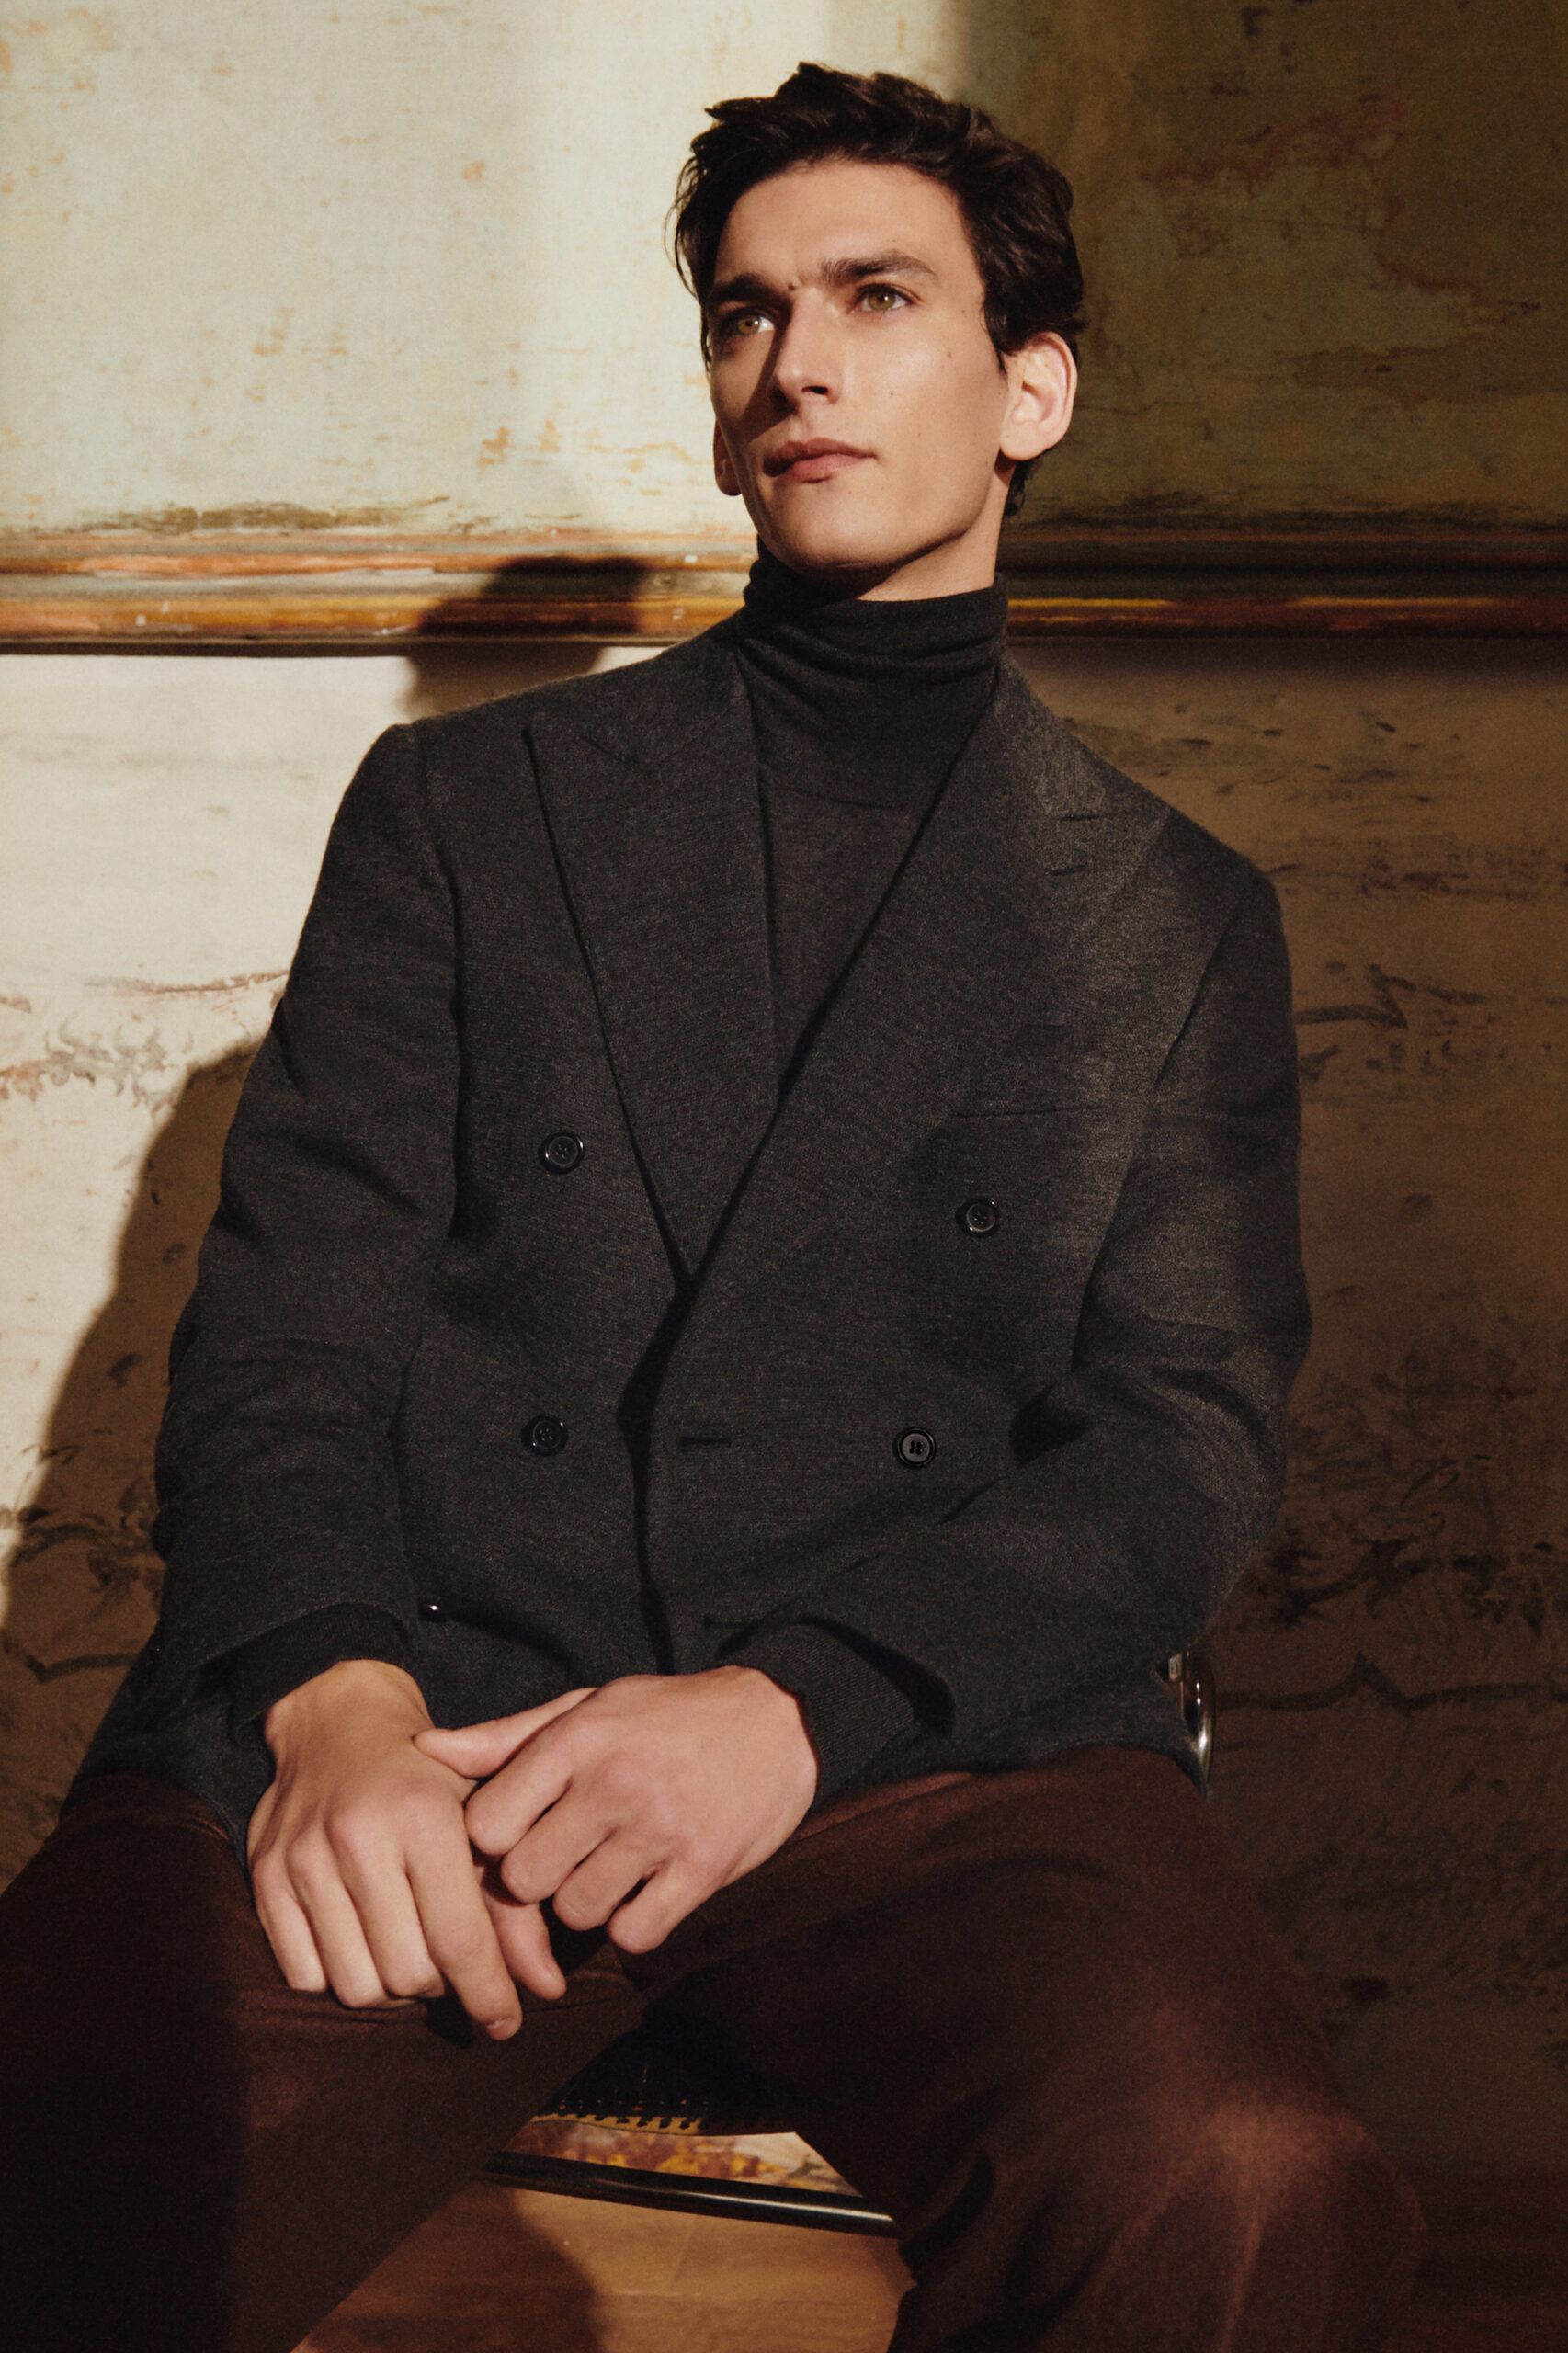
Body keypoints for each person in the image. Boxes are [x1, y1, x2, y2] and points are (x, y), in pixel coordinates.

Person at [0, 62, 1423, 2353]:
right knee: (57, 2138)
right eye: (748, 312)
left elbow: (1177, 1440)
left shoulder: (1171, 916)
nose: (797, 361)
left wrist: (792, 1706)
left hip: (923, 1748)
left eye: (876, 295)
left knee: (1237, 2184)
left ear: (1030, 387)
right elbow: (289, 1327)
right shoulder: (468, 810)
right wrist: (331, 1707)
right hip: (444, 1710)